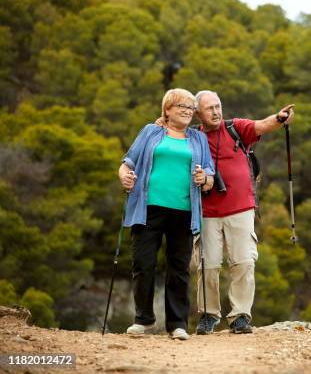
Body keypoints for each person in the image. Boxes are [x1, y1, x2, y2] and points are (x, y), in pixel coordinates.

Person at [183, 90, 293, 335]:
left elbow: (262, 125)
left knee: (243, 262)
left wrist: (280, 117)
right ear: (197, 113)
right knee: (207, 265)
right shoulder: (191, 137)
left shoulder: (235, 128)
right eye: (209, 108)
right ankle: (209, 315)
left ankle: (241, 316)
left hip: (241, 208)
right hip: (207, 211)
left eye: (218, 106)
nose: (215, 111)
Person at [118, 88, 215, 340]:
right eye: (180, 106)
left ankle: (177, 324)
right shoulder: (151, 132)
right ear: (167, 110)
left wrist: (204, 177)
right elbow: (127, 163)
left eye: (190, 107)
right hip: (147, 208)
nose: (186, 110)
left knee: (178, 268)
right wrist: (125, 179)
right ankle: (143, 319)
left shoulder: (198, 139)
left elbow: (210, 178)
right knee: (143, 263)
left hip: (183, 211)